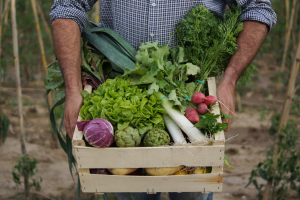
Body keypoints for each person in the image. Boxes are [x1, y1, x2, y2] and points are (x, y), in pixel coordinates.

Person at [50, 1, 276, 200]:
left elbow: (258, 7)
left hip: (193, 97)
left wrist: (229, 79)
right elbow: (67, 6)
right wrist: (72, 90)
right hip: (125, 99)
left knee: (192, 191)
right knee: (131, 189)